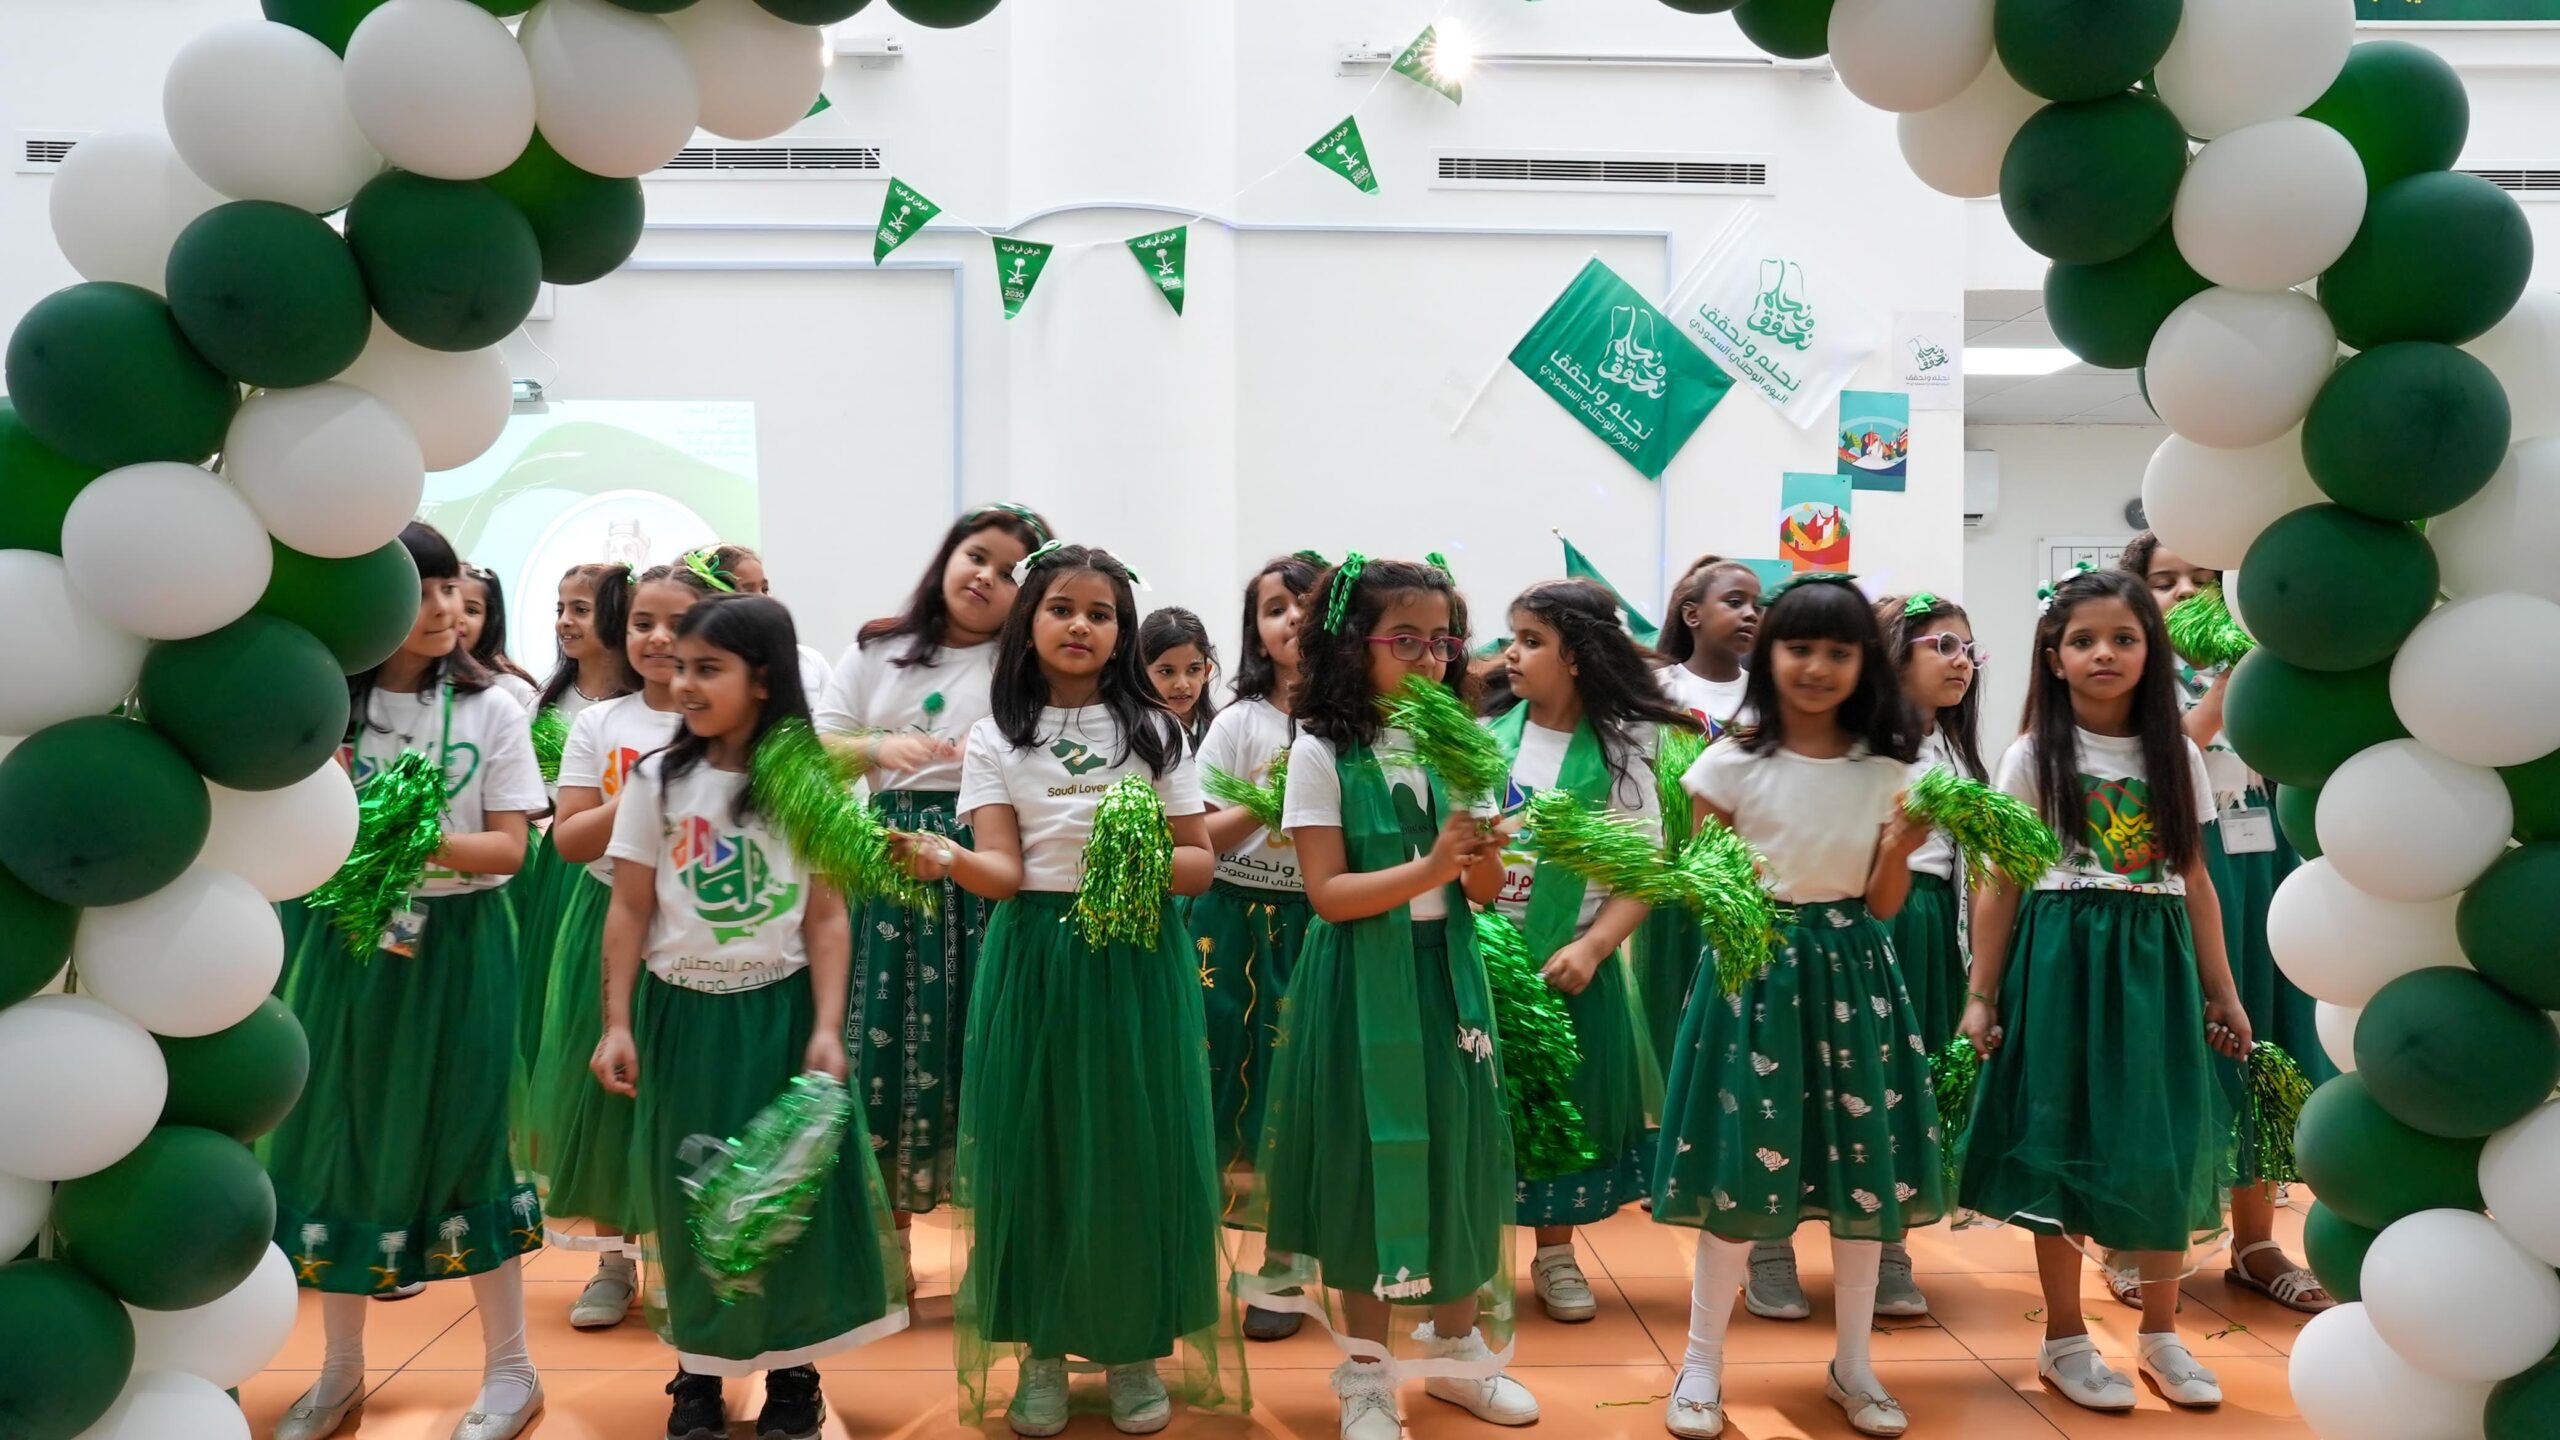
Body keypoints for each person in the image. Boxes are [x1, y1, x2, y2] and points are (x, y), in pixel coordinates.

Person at [894, 542, 1229, 1437]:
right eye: (1062, 608)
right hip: (1037, 956)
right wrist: (946, 857)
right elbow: (1002, 874)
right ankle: (1039, 1351)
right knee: (1033, 1148)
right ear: (1028, 622)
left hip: (1134, 958)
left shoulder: (1155, 730)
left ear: (1120, 631)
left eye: (1101, 613)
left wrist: (1139, 859)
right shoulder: (997, 737)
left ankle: (1131, 1347)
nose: (1081, 625)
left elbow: (1198, 863)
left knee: (1132, 1150)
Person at [591, 594, 906, 1440]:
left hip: (777, 1012)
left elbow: (827, 917)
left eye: (707, 668)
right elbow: (627, 909)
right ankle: (698, 1372)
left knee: (782, 1192)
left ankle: (792, 1372)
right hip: (679, 1016)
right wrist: (617, 1021)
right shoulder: (659, 780)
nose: (683, 682)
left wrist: (827, 1027)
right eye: (679, 667)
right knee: (686, 1189)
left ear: (762, 680)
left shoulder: (805, 784)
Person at [264, 522, 548, 1440]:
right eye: (420, 591)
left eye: (453, 590)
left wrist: (408, 843)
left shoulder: (496, 707)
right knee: (336, 1139)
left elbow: (510, 847)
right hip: (348, 945)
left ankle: (511, 1370)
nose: (442, 609)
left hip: (462, 942)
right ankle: (340, 1370)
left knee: (470, 1141)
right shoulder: (325, 710)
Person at [1248, 555, 1538, 1440]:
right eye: (1404, 639)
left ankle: (1457, 1357)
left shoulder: (1461, 747)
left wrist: (1482, 852)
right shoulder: (1319, 750)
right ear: (1351, 645)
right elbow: (1331, 895)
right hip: (1357, 985)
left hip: (1446, 980)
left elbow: (1484, 892)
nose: (1429, 658)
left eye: (1443, 641)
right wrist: (1431, 862)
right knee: (1365, 1169)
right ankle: (1367, 1380)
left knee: (1455, 1158)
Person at [1653, 573, 1942, 1440]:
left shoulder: (1891, 770)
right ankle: (1701, 1363)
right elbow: (1706, 890)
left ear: (1865, 664)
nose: (1817, 667)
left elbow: (1884, 904)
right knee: (1742, 1171)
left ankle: (1853, 1363)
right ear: (1767, 656)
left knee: (1865, 1176)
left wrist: (1900, 847)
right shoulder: (1726, 763)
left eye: (1838, 651)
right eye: (1798, 647)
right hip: (1754, 980)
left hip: (1855, 977)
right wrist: (1757, 935)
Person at [1960, 566, 2249, 1414]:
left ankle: (2162, 1333)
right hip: (2058, 960)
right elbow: (2000, 881)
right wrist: (1983, 993)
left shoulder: (2179, 753)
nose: (2103, 653)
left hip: (2153, 965)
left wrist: (2221, 990)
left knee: (2160, 1135)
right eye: (2082, 639)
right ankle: (2063, 1338)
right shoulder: (2029, 755)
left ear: (2151, 651)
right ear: (2052, 657)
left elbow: (2195, 880)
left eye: (2124, 638)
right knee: (2061, 1131)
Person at [817, 503, 1047, 1258]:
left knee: (984, 1040)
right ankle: (890, 1249)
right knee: (884, 1042)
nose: (986, 577)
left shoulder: (1026, 666)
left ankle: (995, 1249)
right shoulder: (880, 649)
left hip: (990, 857)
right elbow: (814, 748)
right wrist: (881, 747)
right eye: (977, 555)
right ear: (949, 556)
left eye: (1012, 571)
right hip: (888, 861)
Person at [2120, 534, 2333, 1316]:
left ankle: (2255, 1240)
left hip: (2265, 859)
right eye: (2165, 580)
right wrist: (2229, 686)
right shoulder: (2131, 671)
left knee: (2265, 1045)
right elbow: (2172, 749)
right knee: (2173, 1048)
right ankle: (2136, 1237)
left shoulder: (2265, 662)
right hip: (2181, 865)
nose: (2185, 592)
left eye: (2202, 579)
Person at [1488, 580, 1697, 1324]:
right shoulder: (1484, 738)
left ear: (1577, 656)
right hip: (1483, 957)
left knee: (1561, 1111)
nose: (1510, 654)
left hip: (1572, 964)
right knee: (1482, 1111)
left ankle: (1554, 1253)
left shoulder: (1628, 745)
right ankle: (1476, 1261)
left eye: (1532, 640)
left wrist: (1596, 947)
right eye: (1512, 636)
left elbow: (1644, 870)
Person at [522, 563, 712, 1330]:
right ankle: (613, 1261)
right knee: (606, 1093)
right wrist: (642, 789)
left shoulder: (729, 720)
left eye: (677, 624)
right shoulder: (601, 724)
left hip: (699, 926)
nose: (659, 639)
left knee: (688, 1090)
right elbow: (569, 838)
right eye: (642, 623)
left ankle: (689, 1254)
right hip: (610, 918)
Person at [1190, 553, 1321, 1342]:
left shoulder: (1361, 725)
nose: (1293, 620)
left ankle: (1283, 1265)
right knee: (1221, 1084)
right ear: (1256, 631)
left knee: (1298, 1091)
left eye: (1307, 603)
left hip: (1321, 921)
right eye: (1276, 608)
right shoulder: (1238, 724)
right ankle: (1196, 1252)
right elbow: (1201, 835)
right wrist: (1270, 797)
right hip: (1230, 917)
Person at [1866, 592, 1990, 1319]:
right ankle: (1771, 1242)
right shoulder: (1855, 745)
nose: (1961, 663)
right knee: (1836, 1075)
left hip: (1932, 925)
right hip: (1868, 918)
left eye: (1969, 650)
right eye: (1942, 645)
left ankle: (1888, 1245)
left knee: (1906, 1092)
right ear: (1894, 653)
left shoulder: (1955, 747)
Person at [1637, 557, 1763, 1107]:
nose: (1750, 613)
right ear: (1692, 613)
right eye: (1734, 601)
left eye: (1757, 605)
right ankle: (1669, 1146)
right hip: (1674, 879)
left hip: (1751, 884)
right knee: (1669, 1006)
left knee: (1741, 1016)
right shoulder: (1656, 690)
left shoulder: (1769, 695)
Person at [691, 542, 835, 700]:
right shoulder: (701, 667)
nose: (762, 598)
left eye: (765, 589)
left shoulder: (808, 661)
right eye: (747, 589)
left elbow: (834, 723)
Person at [1139, 605, 1219, 751]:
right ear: (1141, 673)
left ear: (1206, 672)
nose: (1182, 685)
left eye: (1193, 670)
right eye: (1167, 671)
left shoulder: (1222, 734)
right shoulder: (1130, 738)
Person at [460, 564, 538, 711]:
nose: (458, 617)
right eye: (452, 604)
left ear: (489, 621)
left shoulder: (515, 691)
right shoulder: (418, 683)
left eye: (471, 610)